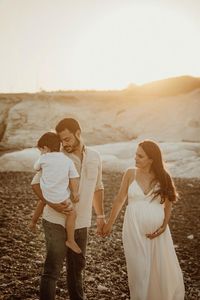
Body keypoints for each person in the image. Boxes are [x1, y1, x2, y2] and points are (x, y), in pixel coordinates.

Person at [31, 118, 105, 300]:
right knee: (52, 269)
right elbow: (36, 184)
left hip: (82, 222)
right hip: (55, 220)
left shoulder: (95, 156)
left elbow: (98, 186)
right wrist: (51, 203)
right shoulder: (55, 157)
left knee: (76, 269)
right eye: (61, 140)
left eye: (67, 139)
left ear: (78, 133)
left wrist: (101, 215)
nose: (64, 143)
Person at [103, 140, 185, 300]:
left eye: (140, 156)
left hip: (158, 233)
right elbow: (120, 199)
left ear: (151, 159)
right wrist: (109, 224)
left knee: (160, 269)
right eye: (135, 154)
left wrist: (163, 226)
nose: (135, 158)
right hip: (133, 229)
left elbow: (169, 204)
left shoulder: (163, 176)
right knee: (138, 269)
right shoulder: (130, 173)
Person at [29, 131, 81, 254]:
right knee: (72, 214)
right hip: (61, 197)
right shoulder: (67, 160)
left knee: (42, 201)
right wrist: (74, 193)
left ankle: (33, 222)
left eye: (41, 150)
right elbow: (74, 177)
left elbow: (35, 168)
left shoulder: (43, 158)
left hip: (47, 195)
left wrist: (43, 163)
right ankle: (70, 240)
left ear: (46, 148)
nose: (41, 152)